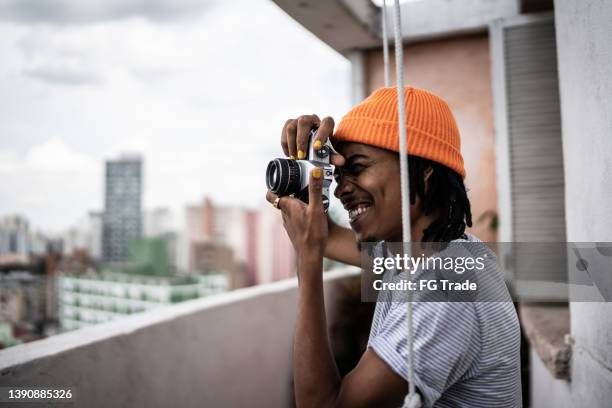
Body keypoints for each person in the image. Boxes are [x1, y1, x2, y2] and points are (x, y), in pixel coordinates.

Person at [266, 87, 521, 407]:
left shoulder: (440, 293)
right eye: (339, 175)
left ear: (425, 172)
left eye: (357, 167)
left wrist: (308, 260)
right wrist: (307, 176)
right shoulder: (444, 252)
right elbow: (325, 236)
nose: (342, 188)